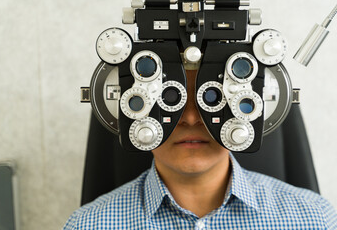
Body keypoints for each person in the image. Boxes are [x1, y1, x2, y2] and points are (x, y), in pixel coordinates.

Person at [64, 69, 337, 229]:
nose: (191, 118)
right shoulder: (89, 225)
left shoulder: (316, 220)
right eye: (168, 99)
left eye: (211, 98)